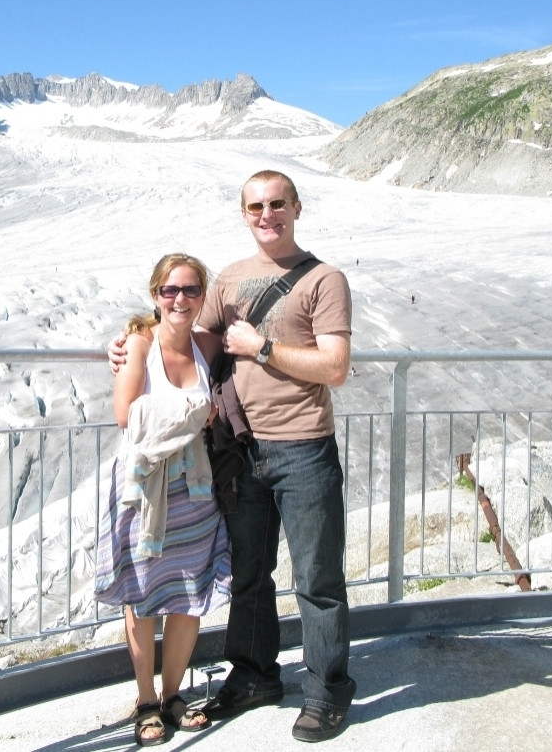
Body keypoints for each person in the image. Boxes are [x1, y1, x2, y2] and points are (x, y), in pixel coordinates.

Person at [110, 171, 356, 743]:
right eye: (255, 206)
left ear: (296, 207)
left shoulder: (324, 280)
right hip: (242, 452)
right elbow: (187, 335)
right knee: (250, 575)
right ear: (244, 214)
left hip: (303, 447)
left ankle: (326, 690)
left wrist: (263, 347)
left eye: (276, 204)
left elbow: (335, 367)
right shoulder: (230, 280)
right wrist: (130, 340)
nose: (266, 214)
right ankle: (254, 676)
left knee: (318, 580)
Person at [94, 253, 232, 746]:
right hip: (144, 486)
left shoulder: (207, 344)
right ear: (155, 295)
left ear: (202, 297)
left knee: (188, 591)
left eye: (191, 290)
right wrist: (197, 410)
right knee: (143, 591)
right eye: (170, 290)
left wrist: (197, 413)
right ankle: (146, 698)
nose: (180, 299)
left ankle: (174, 693)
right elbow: (126, 414)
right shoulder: (139, 343)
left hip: (194, 487)